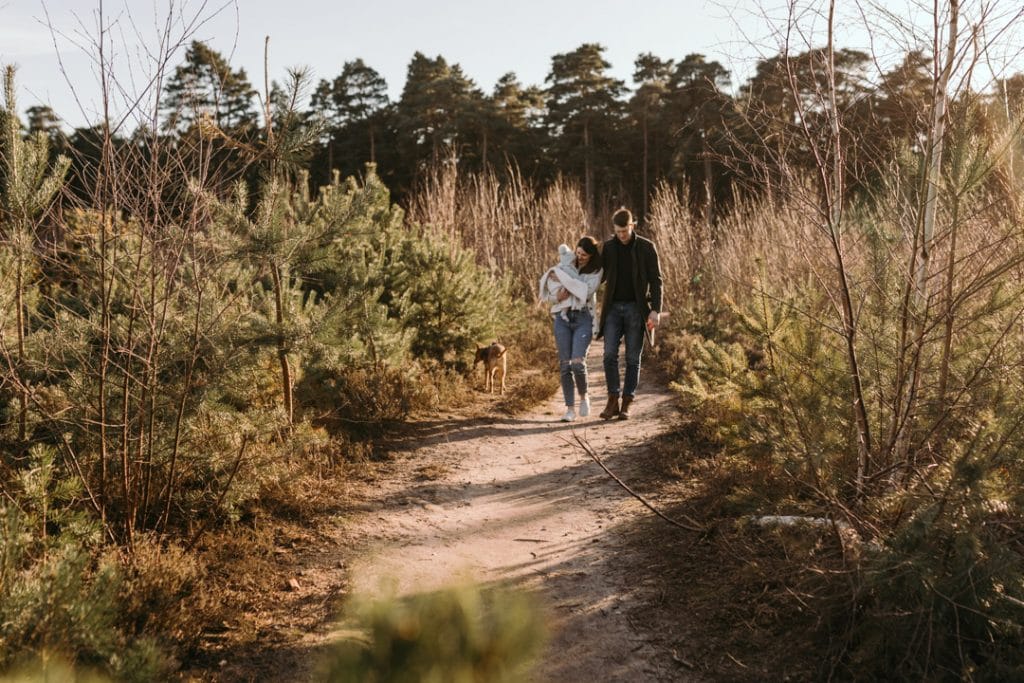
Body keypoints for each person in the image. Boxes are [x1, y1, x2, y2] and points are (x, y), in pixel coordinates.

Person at [596, 207, 663, 420]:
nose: (622, 235)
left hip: (637, 308)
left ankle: (627, 402)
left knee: (633, 358)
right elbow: (596, 275)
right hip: (613, 308)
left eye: (625, 230)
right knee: (608, 355)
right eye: (618, 231)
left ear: (632, 226)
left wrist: (655, 310)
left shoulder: (646, 247)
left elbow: (657, 280)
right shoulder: (608, 248)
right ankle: (612, 399)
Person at [539, 236, 603, 422]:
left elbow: (585, 291)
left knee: (577, 362)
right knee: (565, 364)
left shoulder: (596, 272)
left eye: (584, 255)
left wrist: (563, 278)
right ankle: (570, 409)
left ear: (591, 256)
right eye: (578, 252)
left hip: (583, 318)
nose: (579, 257)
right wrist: (557, 297)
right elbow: (551, 292)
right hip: (562, 318)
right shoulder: (565, 264)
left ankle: (584, 397)